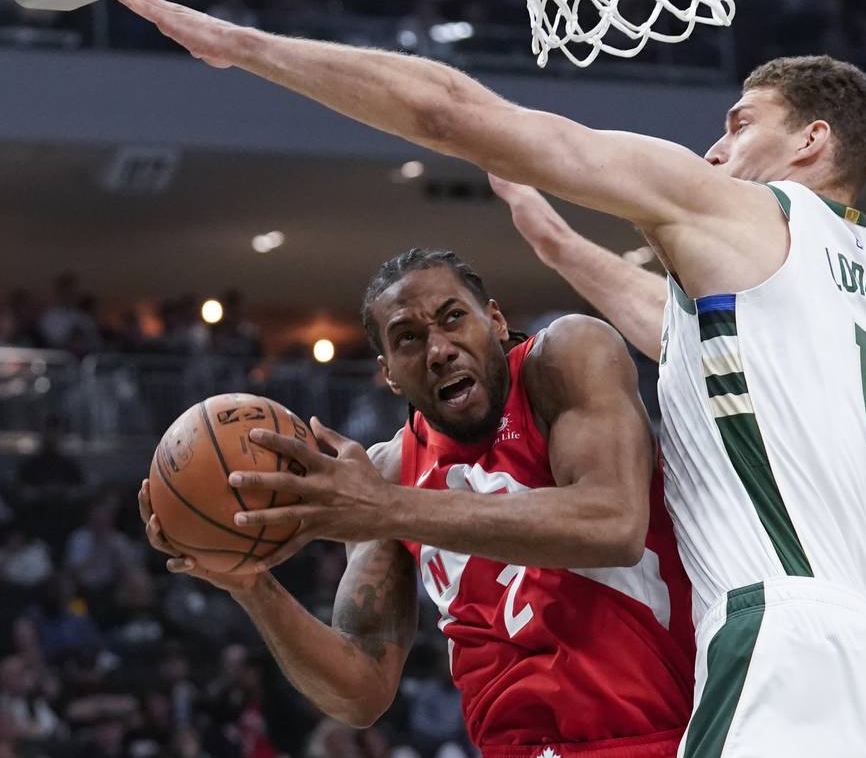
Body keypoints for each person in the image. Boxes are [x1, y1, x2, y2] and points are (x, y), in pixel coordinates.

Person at [117, 0, 866, 755]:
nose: (715, 148)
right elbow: (681, 333)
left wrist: (238, 43)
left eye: (740, 123)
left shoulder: (740, 215)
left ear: (810, 140)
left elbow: (450, 110)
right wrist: (556, 243)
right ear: (387, 368)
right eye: (409, 337)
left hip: (779, 642)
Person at [140, 249, 696, 756]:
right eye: (407, 338)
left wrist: (385, 507)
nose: (438, 350)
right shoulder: (387, 471)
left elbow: (614, 524)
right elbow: (361, 691)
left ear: (495, 321)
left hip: (662, 736)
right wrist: (253, 586)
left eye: (453, 317)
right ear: (388, 374)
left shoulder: (565, 360)